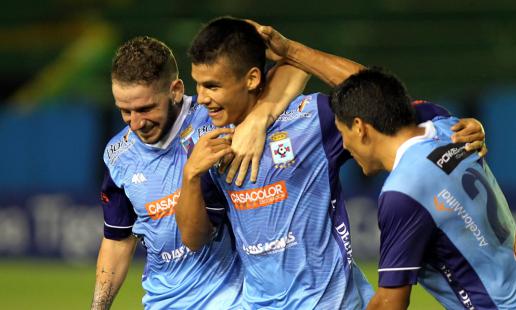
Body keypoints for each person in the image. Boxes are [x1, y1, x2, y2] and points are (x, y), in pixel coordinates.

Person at [176, 17, 487, 309]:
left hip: (335, 301)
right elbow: (194, 239)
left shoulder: (311, 119)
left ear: (252, 79)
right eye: (198, 84)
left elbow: (377, 98)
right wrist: (191, 175)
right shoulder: (206, 138)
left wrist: (466, 128)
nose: (201, 98)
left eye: (212, 86)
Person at [254, 23, 516, 309]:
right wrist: (290, 51)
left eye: (343, 131)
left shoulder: (403, 192)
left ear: (360, 128)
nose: (343, 144)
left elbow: (390, 302)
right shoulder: (444, 124)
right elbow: (374, 92)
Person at [92, 36, 308, 309]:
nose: (136, 123)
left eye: (146, 109)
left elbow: (295, 68)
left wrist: (257, 119)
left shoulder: (215, 114)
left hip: (233, 298)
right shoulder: (118, 155)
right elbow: (118, 240)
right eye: (125, 111)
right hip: (161, 302)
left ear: (176, 90)